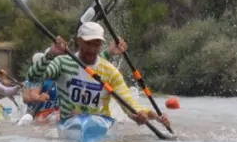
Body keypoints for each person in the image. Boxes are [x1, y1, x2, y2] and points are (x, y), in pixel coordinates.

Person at [26, 21, 167, 127]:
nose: (92, 49)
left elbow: (128, 103)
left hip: (101, 124)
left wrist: (142, 116)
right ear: (78, 41)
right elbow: (33, 77)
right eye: (88, 43)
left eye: (97, 44)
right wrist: (51, 54)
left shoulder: (111, 72)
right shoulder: (62, 63)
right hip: (69, 123)